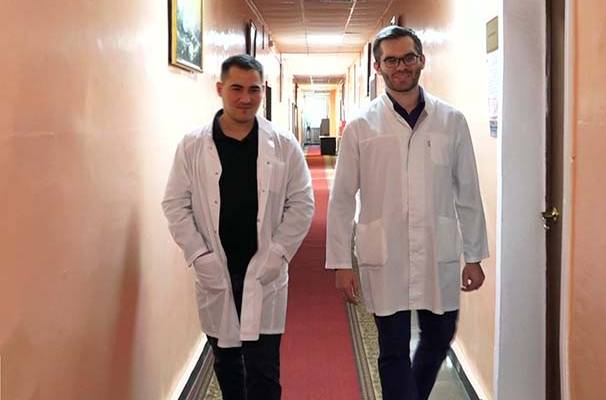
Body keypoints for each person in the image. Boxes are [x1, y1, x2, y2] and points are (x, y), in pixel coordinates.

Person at [326, 26, 488, 400]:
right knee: (393, 348)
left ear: (421, 60)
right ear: (378, 67)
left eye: (408, 58)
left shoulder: (451, 120)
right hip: (385, 252)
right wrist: (341, 263)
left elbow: (468, 191)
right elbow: (342, 198)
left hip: (437, 249)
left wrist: (474, 255)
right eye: (391, 60)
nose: (401, 66)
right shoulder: (362, 126)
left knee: (439, 335)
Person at [162, 54, 314, 400]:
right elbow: (175, 204)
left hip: (264, 270)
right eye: (236, 88)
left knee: (264, 370)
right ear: (220, 89)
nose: (246, 98)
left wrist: (279, 252)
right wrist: (199, 254)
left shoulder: (283, 144)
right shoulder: (193, 145)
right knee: (227, 364)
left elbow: (302, 203)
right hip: (217, 268)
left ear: (262, 91)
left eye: (254, 90)